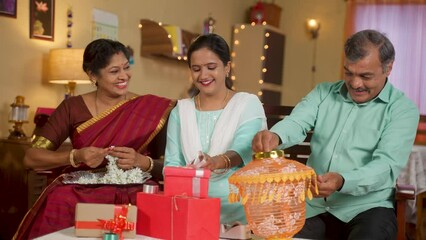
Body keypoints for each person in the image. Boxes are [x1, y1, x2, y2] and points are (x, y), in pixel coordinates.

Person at [252, 29, 419, 240]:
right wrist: (275, 136)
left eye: (365, 76)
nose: (355, 84)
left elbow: (385, 166)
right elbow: (296, 122)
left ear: (389, 68)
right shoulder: (323, 93)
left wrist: (342, 181)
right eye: (349, 73)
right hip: (313, 207)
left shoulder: (402, 110)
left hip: (368, 209)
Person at [14, 39, 176, 239]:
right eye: (114, 71)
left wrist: (141, 161)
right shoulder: (72, 108)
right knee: (60, 198)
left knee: (150, 201)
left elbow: (172, 166)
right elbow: (31, 157)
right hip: (82, 190)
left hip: (136, 188)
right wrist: (75, 156)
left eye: (126, 67)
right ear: (92, 75)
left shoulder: (151, 109)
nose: (124, 76)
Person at [164, 33, 267, 225]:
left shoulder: (247, 104)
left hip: (237, 209)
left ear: (227, 67)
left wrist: (217, 162)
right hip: (190, 208)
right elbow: (171, 165)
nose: (203, 76)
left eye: (211, 67)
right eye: (196, 69)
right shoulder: (181, 111)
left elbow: (244, 150)